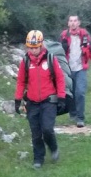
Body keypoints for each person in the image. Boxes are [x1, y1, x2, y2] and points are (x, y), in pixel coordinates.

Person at [14, 30, 66, 168]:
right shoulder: (25, 61)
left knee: (47, 129)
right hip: (32, 103)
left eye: (36, 47)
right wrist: (17, 100)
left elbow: (60, 78)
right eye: (31, 47)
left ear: (41, 45)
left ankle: (53, 147)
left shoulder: (50, 59)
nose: (33, 50)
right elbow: (20, 82)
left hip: (49, 101)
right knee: (36, 133)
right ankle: (38, 158)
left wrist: (61, 97)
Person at [60, 15, 91, 127]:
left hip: (81, 68)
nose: (73, 23)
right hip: (67, 69)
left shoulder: (85, 35)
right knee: (70, 93)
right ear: (68, 23)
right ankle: (73, 114)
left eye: (75, 21)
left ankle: (80, 118)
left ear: (79, 23)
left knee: (80, 92)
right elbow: (57, 51)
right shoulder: (63, 35)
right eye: (71, 21)